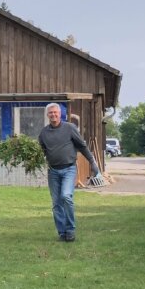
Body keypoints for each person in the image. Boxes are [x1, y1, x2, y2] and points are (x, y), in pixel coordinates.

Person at [38, 103, 103, 243]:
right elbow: (40, 151)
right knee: (56, 203)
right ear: (47, 115)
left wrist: (92, 162)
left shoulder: (69, 128)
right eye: (50, 113)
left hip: (69, 169)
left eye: (55, 112)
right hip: (53, 171)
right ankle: (62, 233)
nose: (53, 115)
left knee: (66, 196)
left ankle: (71, 229)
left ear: (60, 113)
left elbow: (82, 146)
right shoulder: (44, 133)